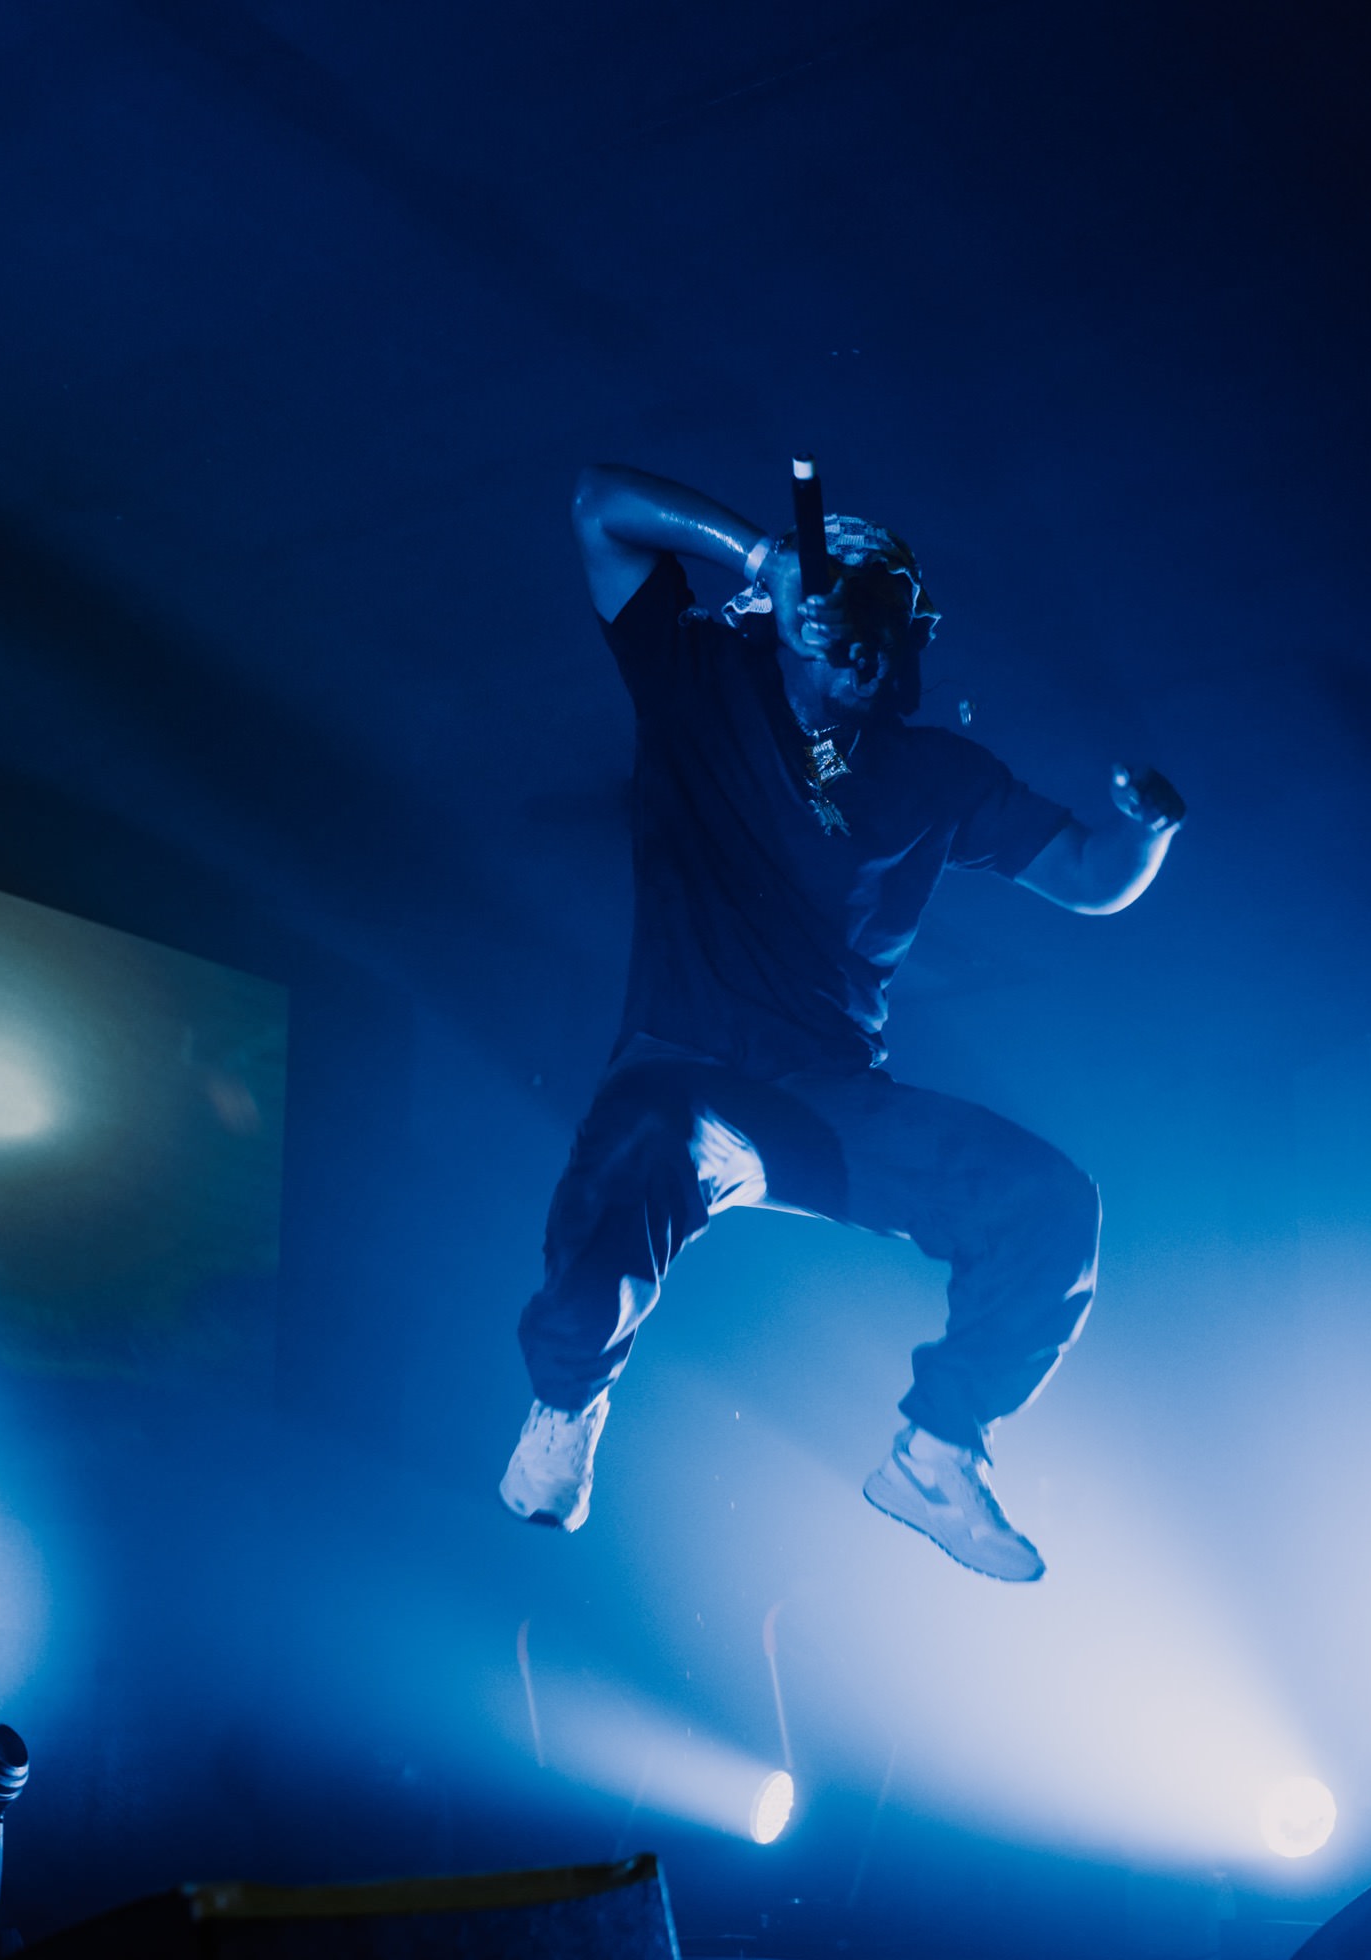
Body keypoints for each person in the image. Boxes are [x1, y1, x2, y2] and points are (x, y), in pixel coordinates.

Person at [498, 464, 1184, 1581]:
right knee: (637, 1166)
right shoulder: (695, 678)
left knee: (1051, 1202)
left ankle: (938, 1452)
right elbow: (596, 506)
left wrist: (1148, 832)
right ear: (788, 622)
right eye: (838, 625)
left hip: (824, 1104)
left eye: (881, 634)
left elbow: (1087, 876)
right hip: (683, 1071)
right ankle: (566, 1404)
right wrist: (757, 555)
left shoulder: (935, 775)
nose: (859, 655)